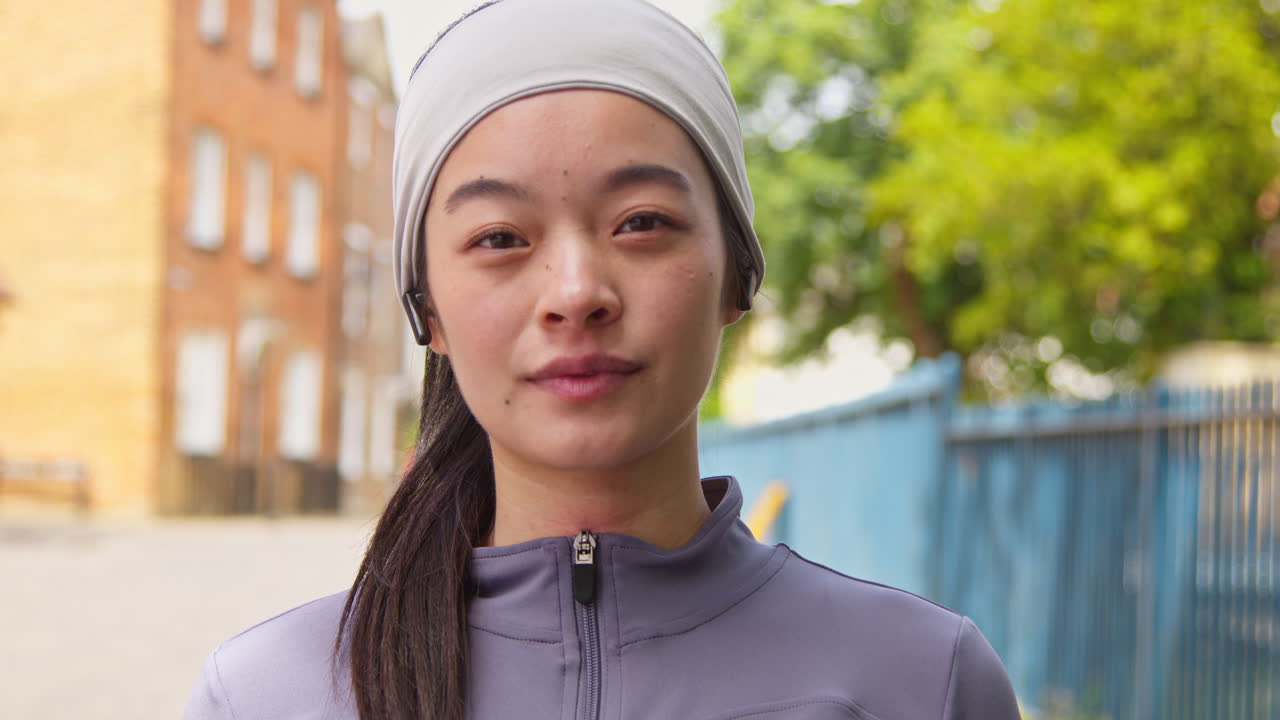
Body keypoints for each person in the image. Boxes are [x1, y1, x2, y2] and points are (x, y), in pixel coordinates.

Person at [183, 1, 1022, 718]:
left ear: (737, 277)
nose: (576, 291)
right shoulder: (269, 695)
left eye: (641, 222)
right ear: (427, 309)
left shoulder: (920, 680)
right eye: (500, 238)